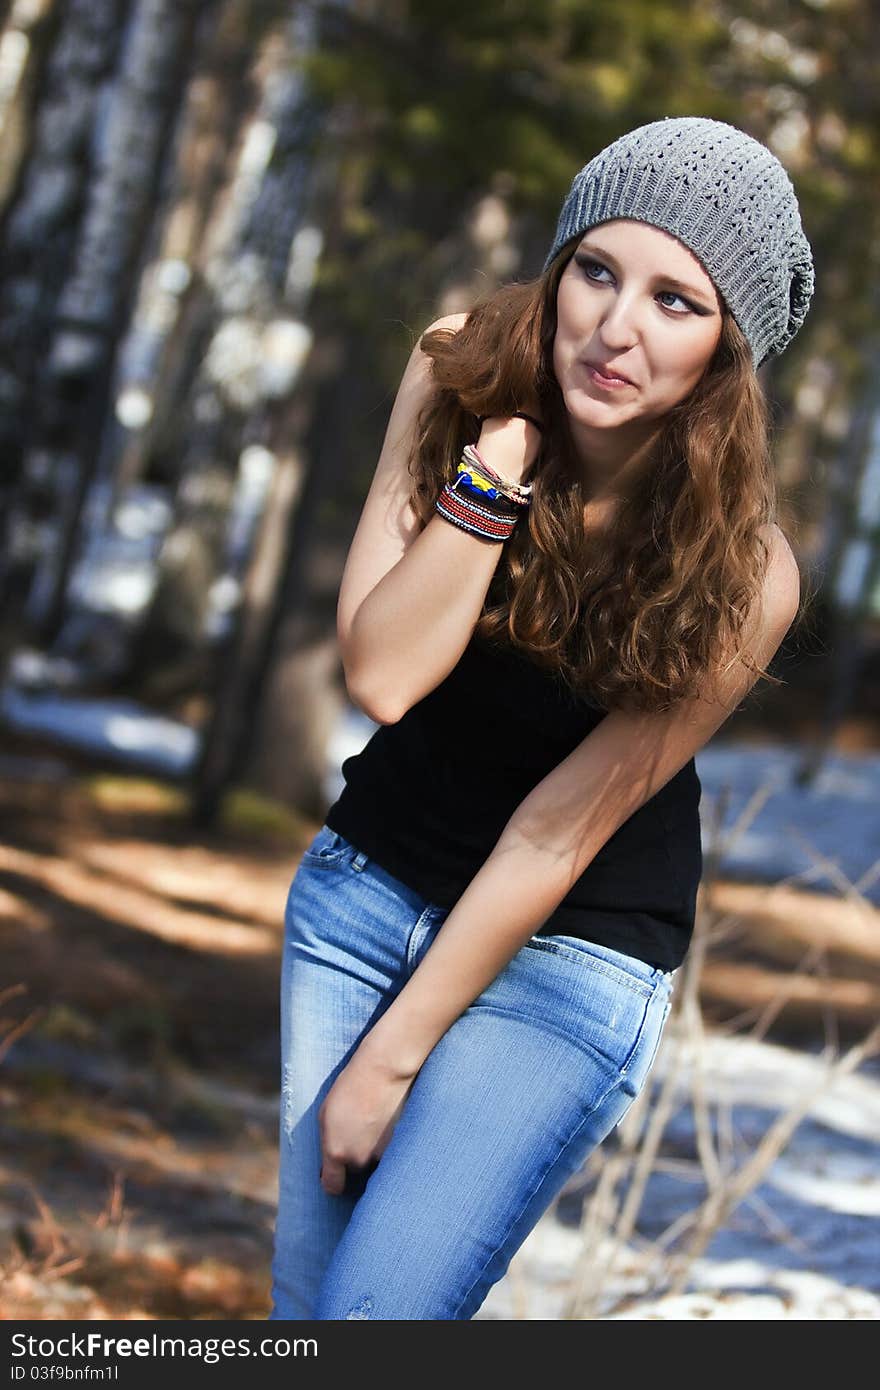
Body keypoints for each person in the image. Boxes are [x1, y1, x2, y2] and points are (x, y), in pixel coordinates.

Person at [268, 116, 815, 1321]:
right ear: (556, 267)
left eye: (678, 302)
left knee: (377, 1318)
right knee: (310, 1321)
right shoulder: (457, 373)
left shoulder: (746, 571)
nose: (616, 329)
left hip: (567, 953)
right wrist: (493, 470)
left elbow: (555, 833)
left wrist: (393, 1057)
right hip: (365, 894)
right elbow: (386, 675)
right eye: (598, 271)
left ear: (729, 350)